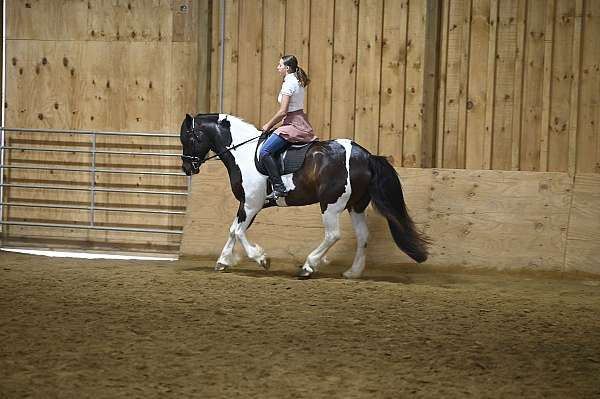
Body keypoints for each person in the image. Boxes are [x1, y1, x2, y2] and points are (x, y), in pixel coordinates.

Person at [260, 55, 317, 198]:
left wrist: (268, 124)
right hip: (295, 120)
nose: (277, 67)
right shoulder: (295, 81)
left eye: (279, 65)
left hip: (294, 123)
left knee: (265, 151)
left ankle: (279, 186)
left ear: (287, 68)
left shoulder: (289, 84)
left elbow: (283, 111)